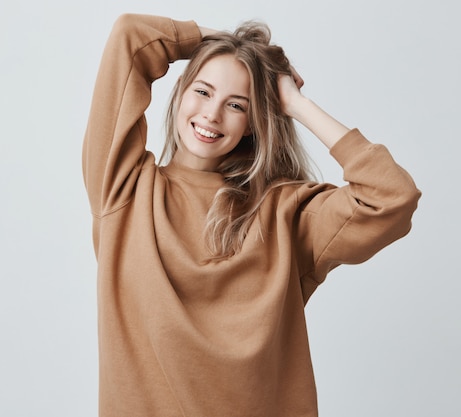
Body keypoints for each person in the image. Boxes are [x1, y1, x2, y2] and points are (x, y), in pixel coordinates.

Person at [83, 13, 420, 417]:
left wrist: (296, 103)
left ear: (252, 123)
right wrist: (239, 47)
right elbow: (131, 36)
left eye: (237, 105)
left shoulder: (284, 212)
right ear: (180, 91)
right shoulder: (123, 190)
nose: (212, 114)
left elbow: (391, 197)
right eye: (203, 92)